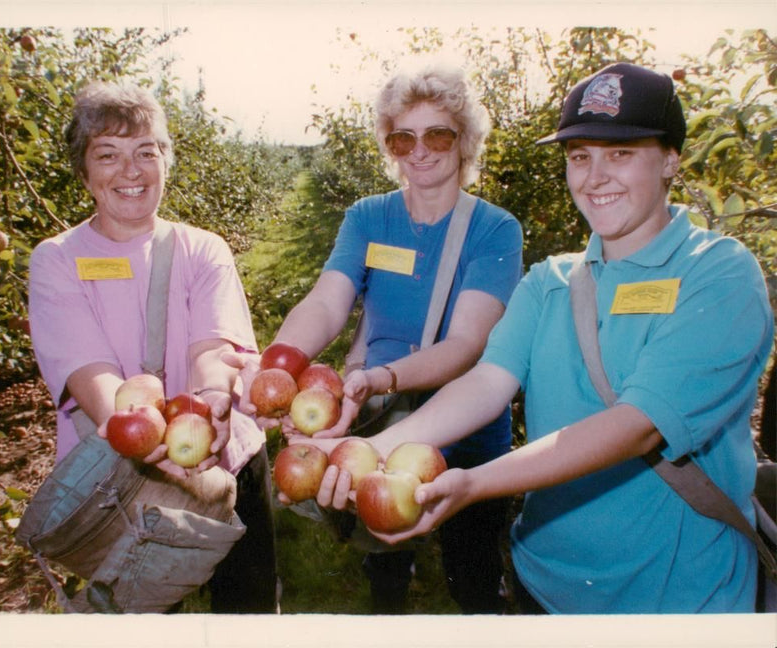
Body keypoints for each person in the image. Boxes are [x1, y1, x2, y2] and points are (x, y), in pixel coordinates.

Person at [313, 62, 775, 613]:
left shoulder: (719, 275)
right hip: (543, 585)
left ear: (671, 159)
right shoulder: (551, 281)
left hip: (676, 601)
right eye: (580, 156)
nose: (595, 176)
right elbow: (485, 382)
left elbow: (636, 428)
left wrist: (471, 484)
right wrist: (371, 448)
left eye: (620, 153)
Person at [229, 62, 524, 614]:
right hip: (376, 416)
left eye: (437, 133)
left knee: (474, 566)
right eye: (402, 137)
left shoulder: (494, 229)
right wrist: (278, 366)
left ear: (465, 141)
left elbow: (466, 344)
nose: (420, 150)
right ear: (389, 146)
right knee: (383, 558)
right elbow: (325, 302)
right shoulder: (368, 218)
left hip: (466, 432)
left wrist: (378, 376)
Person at [27, 81, 278, 613]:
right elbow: (91, 375)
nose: (132, 171)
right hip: (123, 482)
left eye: (147, 151)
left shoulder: (203, 249)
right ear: (84, 170)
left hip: (224, 458)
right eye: (109, 155)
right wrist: (141, 424)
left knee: (247, 611)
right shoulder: (55, 259)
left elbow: (212, 348)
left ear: (168, 160)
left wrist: (213, 400)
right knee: (148, 622)